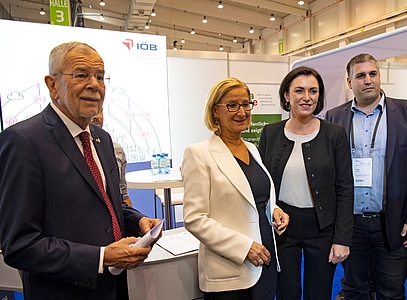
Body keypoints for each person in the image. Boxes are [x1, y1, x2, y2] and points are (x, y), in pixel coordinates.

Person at [0, 41, 161, 299]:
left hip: (114, 289)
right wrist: (101, 257)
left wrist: (137, 220)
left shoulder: (102, 139)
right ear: (53, 85)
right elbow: (20, 245)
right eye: (81, 75)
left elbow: (107, 205)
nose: (94, 85)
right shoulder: (23, 142)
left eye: (100, 76)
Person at [325, 53, 407, 300]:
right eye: (360, 75)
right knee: (354, 290)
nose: (368, 80)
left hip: (393, 223)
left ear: (379, 77)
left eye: (373, 74)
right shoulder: (334, 117)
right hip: (351, 224)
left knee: (391, 292)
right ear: (350, 82)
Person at [182, 77, 290, 300]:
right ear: (215, 112)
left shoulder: (252, 148)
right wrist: (244, 247)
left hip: (265, 257)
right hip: (231, 266)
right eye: (232, 105)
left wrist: (274, 211)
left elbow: (254, 198)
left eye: (246, 104)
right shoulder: (199, 153)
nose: (242, 112)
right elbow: (195, 219)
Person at [259, 66, 354, 300]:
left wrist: (341, 239)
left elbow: (344, 188)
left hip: (322, 226)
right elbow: (261, 184)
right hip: (282, 226)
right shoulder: (270, 133)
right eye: (299, 90)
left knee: (319, 292)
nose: (307, 97)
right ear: (286, 96)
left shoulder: (335, 134)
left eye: (313, 91)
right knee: (285, 292)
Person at [92, 110, 132, 207]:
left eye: (100, 111)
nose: (96, 116)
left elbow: (123, 193)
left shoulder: (116, 150)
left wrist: (136, 219)